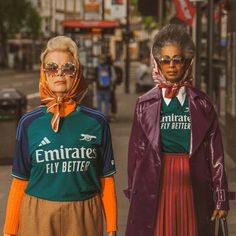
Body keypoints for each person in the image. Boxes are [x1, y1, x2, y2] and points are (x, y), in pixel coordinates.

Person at [3, 36, 117, 236]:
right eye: (52, 67)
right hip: (38, 213)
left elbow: (105, 178)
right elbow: (20, 180)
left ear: (77, 73)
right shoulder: (29, 123)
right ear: (44, 74)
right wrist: (9, 231)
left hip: (85, 213)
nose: (60, 74)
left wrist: (112, 228)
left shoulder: (97, 122)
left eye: (68, 68)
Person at [124, 24, 229, 236]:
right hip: (156, 181)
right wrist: (136, 193)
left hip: (194, 183)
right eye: (165, 60)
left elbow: (215, 154)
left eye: (177, 59)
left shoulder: (203, 103)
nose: (171, 66)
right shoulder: (144, 104)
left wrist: (220, 196)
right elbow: (135, 154)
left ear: (187, 62)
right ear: (157, 63)